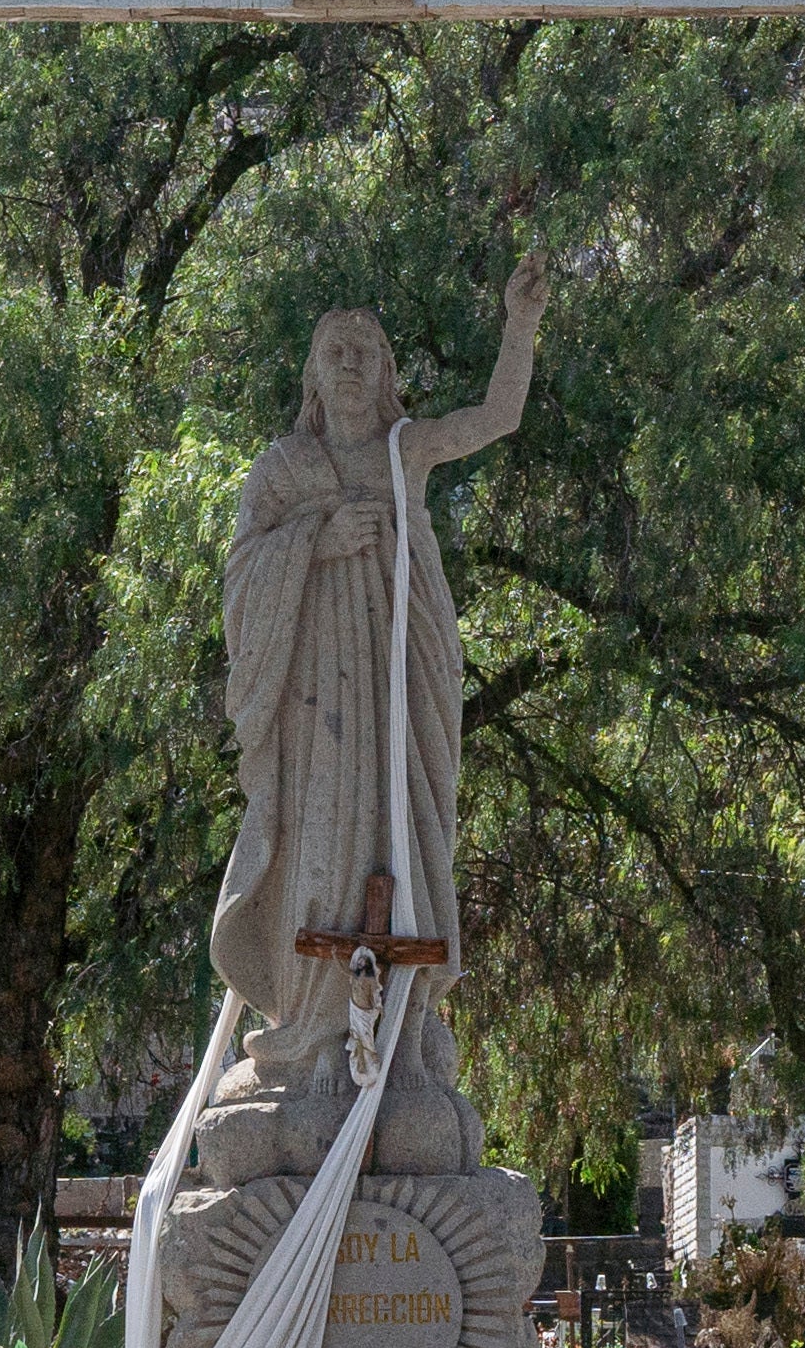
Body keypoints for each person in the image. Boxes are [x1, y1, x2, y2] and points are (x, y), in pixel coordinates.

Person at [195, 262, 547, 1186]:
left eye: (366, 351)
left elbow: (497, 417)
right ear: (313, 377)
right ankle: (311, 1042)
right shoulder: (282, 472)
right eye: (334, 352)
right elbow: (238, 586)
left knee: (403, 849)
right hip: (316, 720)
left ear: (386, 371)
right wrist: (313, 543)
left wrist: (518, 323)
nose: (351, 364)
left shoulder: (404, 452)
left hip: (394, 708)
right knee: (318, 861)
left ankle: (404, 1042)